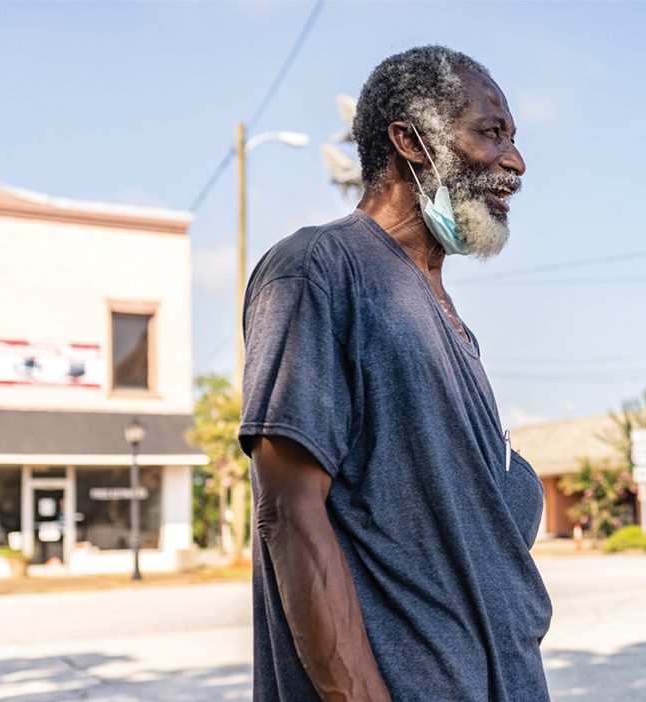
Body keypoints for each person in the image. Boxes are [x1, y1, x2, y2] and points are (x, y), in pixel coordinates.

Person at [239, 46, 550, 701]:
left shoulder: (453, 325)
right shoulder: (317, 269)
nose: (515, 161)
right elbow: (289, 514)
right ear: (411, 141)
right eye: (491, 133)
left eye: (514, 140)